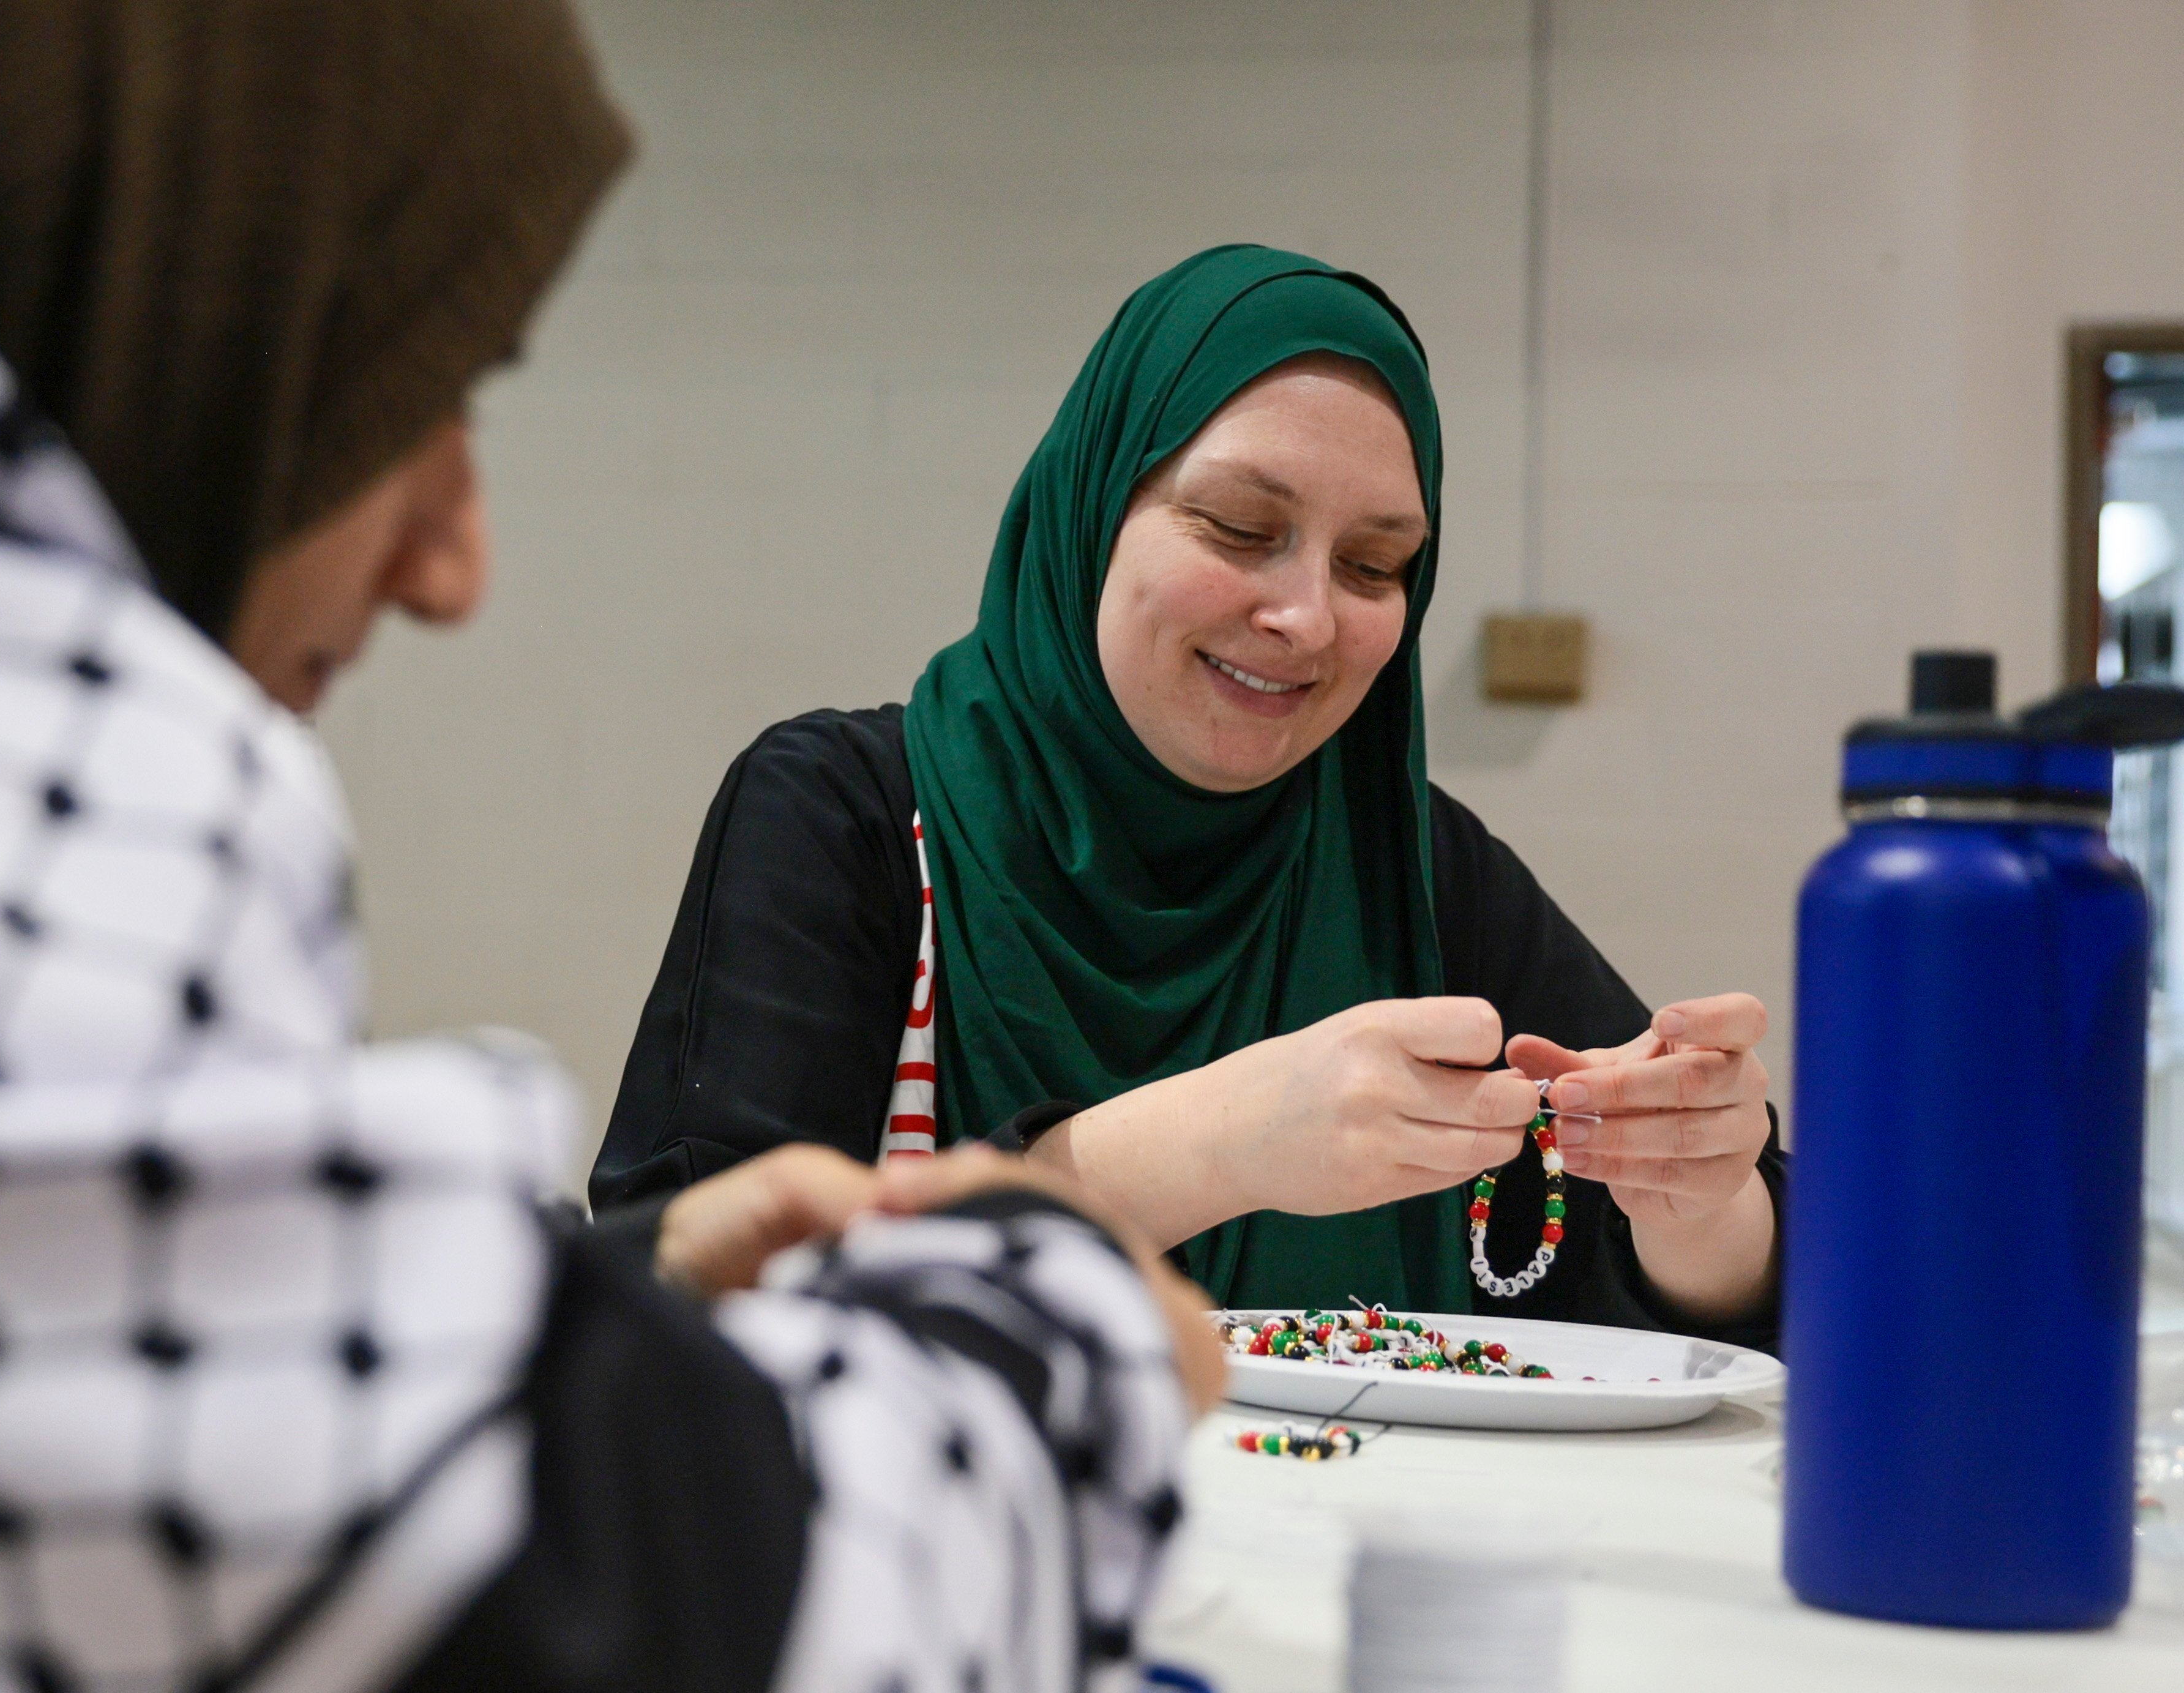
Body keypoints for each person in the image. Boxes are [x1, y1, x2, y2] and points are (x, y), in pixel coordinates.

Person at [0, 6, 1218, 1693]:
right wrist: (1049, 1327)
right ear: (190, 287)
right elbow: (608, 1620)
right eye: (403, 379)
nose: (454, 564)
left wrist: (568, 1314)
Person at [594, 246, 1785, 1344]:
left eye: (1374, 567)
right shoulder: (847, 820)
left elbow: (1729, 1299)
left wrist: (1694, 1198)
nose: (1308, 617)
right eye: (1236, 527)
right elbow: (679, 1299)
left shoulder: (1411, 865)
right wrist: (1216, 1142)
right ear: (1091, 511)